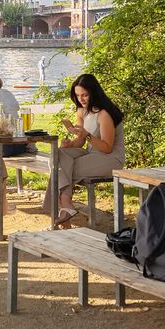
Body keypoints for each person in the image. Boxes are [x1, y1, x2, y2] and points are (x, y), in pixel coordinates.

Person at [42, 74, 125, 227]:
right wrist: (70, 144)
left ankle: (64, 210)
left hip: (110, 159)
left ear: (94, 92)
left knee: (61, 169)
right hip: (91, 154)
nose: (81, 99)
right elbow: (80, 141)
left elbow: (107, 147)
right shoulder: (82, 111)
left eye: (85, 95)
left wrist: (88, 135)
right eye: (78, 95)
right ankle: (66, 207)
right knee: (58, 154)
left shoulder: (104, 114)